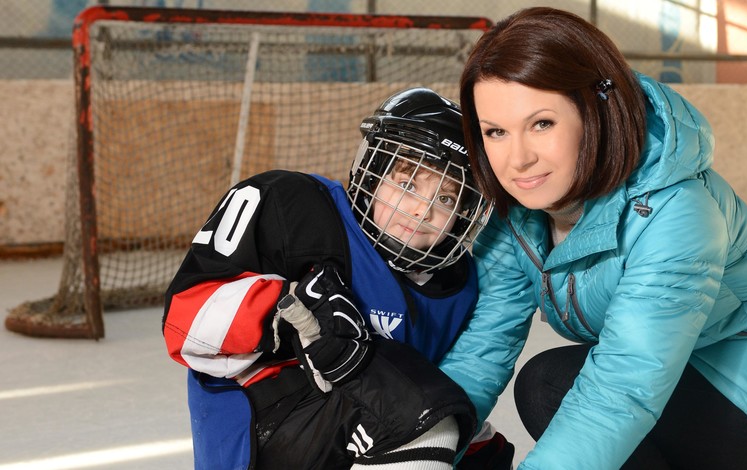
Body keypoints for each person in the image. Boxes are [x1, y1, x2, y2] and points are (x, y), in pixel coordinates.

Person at [437, 7, 747, 470]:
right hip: (683, 365)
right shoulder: (519, 216)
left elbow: (624, 384)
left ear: (594, 109)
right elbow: (482, 350)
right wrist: (419, 450)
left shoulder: (676, 211)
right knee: (550, 383)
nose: (518, 159)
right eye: (495, 132)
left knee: (550, 384)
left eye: (542, 124)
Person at [162, 88, 514, 469]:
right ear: (372, 172)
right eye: (407, 184)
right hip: (266, 429)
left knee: (482, 452)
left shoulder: (455, 287)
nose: (421, 210)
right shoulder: (295, 207)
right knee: (422, 418)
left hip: (359, 421)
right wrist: (287, 309)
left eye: (447, 198)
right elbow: (185, 324)